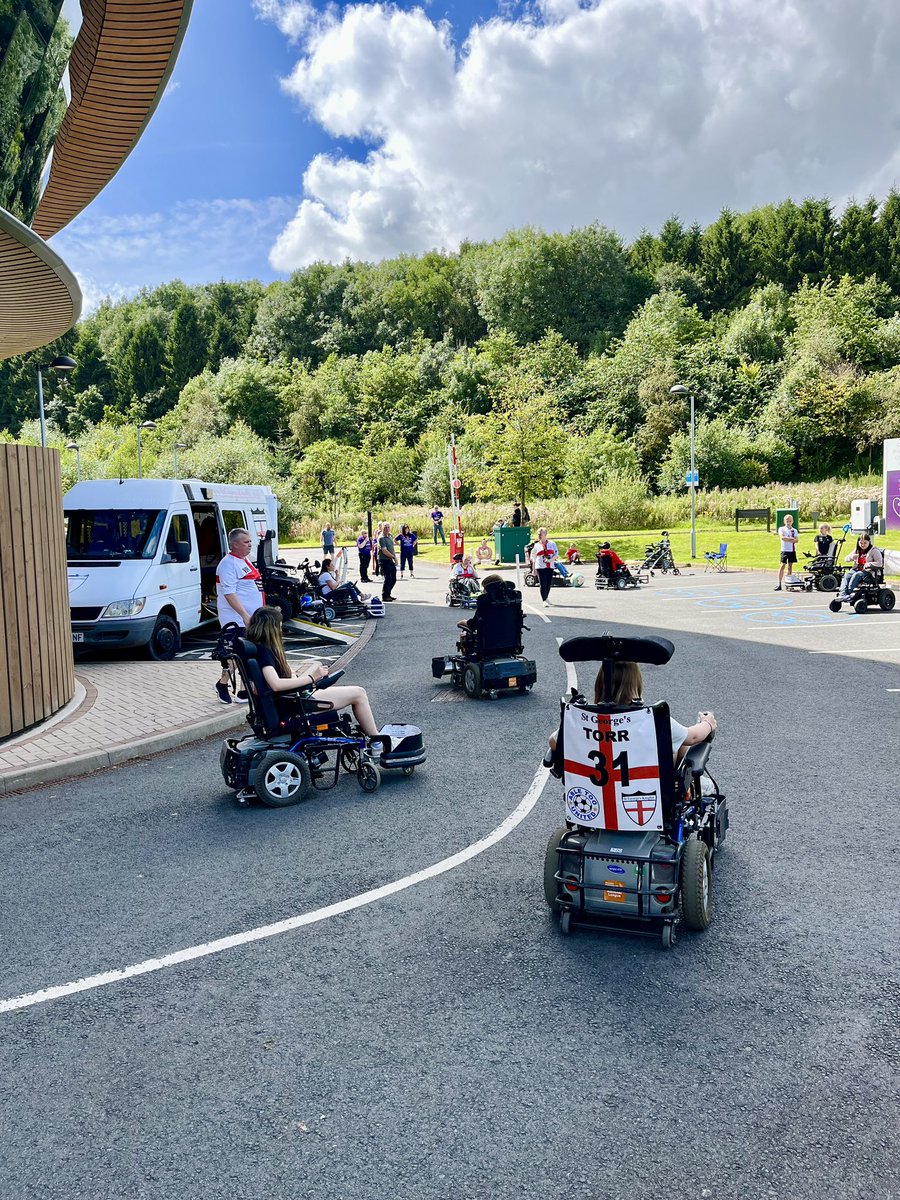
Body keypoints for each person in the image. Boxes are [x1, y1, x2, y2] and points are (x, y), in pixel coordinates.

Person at [247, 606, 383, 742]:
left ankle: (376, 738)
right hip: (292, 706)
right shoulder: (265, 652)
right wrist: (312, 677)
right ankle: (377, 740)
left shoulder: (258, 649)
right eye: (280, 625)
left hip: (289, 701)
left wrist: (296, 676)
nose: (281, 629)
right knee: (358, 693)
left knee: (357, 692)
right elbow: (275, 684)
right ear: (272, 627)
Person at [548, 658, 717, 763]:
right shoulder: (652, 720)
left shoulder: (583, 720)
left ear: (600, 683)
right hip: (647, 795)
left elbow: (553, 743)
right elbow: (693, 736)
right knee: (678, 745)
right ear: (636, 683)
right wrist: (708, 723)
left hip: (598, 795)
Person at [214, 527, 264, 704]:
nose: (250, 545)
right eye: (246, 542)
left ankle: (244, 690)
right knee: (237, 654)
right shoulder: (228, 564)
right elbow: (229, 594)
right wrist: (244, 615)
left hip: (250, 618)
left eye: (250, 541)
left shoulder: (244, 561)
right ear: (235, 544)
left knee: (249, 653)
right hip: (236, 619)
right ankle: (222, 683)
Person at [838, 533, 883, 599]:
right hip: (857, 569)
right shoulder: (857, 550)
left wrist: (869, 564)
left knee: (857, 575)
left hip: (869, 572)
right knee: (847, 575)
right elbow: (846, 559)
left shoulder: (874, 551)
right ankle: (843, 594)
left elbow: (879, 563)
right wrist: (852, 557)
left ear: (869, 542)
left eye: (865, 543)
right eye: (861, 543)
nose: (862, 545)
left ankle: (849, 592)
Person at [532, 528, 559, 606]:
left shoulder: (552, 544)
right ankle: (544, 600)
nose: (539, 535)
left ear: (545, 535)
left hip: (550, 566)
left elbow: (556, 555)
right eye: (538, 534)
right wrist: (534, 569)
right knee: (543, 583)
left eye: (541, 534)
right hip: (540, 567)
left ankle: (546, 597)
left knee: (548, 583)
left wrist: (550, 560)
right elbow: (533, 558)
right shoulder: (536, 545)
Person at [774, 513, 799, 590]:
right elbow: (782, 538)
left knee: (790, 566)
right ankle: (779, 583)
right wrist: (790, 539)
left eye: (790, 521)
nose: (788, 523)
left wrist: (788, 539)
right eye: (787, 521)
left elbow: (796, 540)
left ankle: (788, 583)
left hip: (791, 550)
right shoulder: (781, 529)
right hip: (784, 550)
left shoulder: (794, 530)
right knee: (782, 565)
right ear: (785, 521)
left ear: (792, 521)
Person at [379, 522, 397, 601]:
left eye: (388, 527)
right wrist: (393, 557)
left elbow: (392, 548)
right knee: (388, 578)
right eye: (385, 527)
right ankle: (385, 595)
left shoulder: (390, 536)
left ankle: (388, 593)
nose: (387, 529)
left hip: (390, 560)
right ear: (382, 528)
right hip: (384, 560)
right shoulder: (381, 538)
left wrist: (395, 557)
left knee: (393, 578)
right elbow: (384, 550)